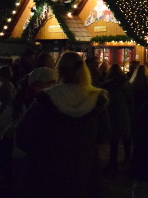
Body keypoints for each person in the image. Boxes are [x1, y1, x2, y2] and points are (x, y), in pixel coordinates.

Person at [16, 51, 109, 198]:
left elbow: (23, 136)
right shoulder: (96, 99)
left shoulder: (46, 98)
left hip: (49, 171)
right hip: (84, 170)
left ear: (58, 70)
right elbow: (104, 135)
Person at [102, 64, 132, 176]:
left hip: (111, 114)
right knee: (126, 138)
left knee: (114, 140)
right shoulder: (125, 85)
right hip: (123, 113)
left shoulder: (106, 86)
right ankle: (127, 159)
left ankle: (113, 162)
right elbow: (130, 100)